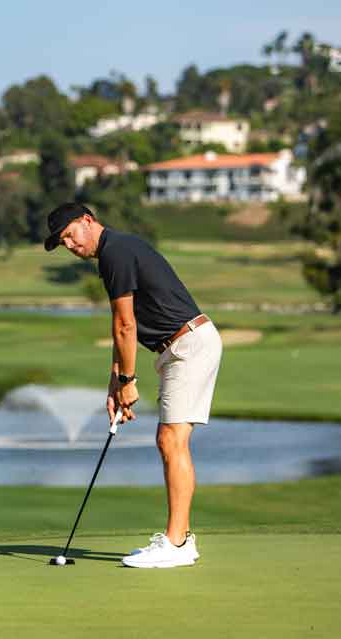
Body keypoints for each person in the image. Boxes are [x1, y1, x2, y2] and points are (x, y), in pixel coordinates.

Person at [44, 203, 222, 568]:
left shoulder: (115, 252)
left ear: (87, 221)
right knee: (170, 439)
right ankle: (182, 541)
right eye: (63, 242)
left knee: (171, 439)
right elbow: (123, 328)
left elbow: (126, 325)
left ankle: (175, 544)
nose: (70, 246)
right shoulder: (115, 253)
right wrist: (115, 381)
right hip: (179, 346)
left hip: (188, 344)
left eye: (69, 235)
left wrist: (129, 381)